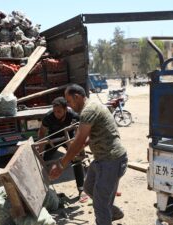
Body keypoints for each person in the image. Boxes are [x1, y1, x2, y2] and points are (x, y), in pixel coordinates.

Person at [49, 84, 128, 225]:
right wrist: (83, 144)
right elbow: (91, 136)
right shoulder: (90, 107)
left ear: (77, 97)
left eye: (69, 101)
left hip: (111, 160)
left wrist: (61, 164)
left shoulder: (89, 110)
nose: (68, 106)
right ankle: (114, 213)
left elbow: (78, 140)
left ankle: (106, 216)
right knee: (88, 188)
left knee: (100, 204)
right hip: (102, 159)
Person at [37, 97, 88, 201]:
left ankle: (81, 189)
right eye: (55, 111)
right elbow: (42, 132)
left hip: (69, 136)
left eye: (59, 111)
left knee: (76, 159)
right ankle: (43, 190)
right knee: (44, 161)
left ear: (66, 109)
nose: (56, 113)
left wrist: (80, 148)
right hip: (53, 138)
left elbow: (82, 130)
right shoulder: (49, 117)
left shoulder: (73, 115)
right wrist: (40, 150)